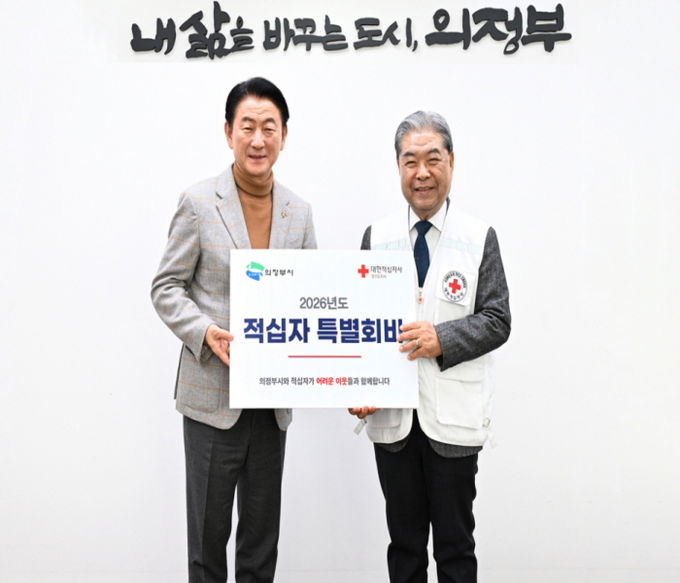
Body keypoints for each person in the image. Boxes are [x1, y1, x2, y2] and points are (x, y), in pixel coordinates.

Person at [151, 77, 316, 583]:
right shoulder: (199, 202)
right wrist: (205, 332)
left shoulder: (299, 212)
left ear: (284, 135)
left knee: (260, 546)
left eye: (269, 127)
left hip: (271, 404)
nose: (258, 139)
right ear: (229, 132)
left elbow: (311, 298)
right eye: (248, 126)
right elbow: (166, 287)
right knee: (207, 545)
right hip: (211, 401)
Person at [349, 111, 510, 583]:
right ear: (398, 167)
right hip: (393, 421)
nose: (422, 173)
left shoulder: (478, 237)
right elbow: (358, 323)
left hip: (453, 421)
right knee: (404, 549)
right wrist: (358, 383)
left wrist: (443, 338)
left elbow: (498, 319)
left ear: (451, 163)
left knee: (456, 550)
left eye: (432, 159)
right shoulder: (376, 237)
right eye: (410, 161)